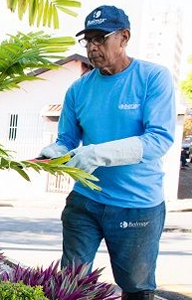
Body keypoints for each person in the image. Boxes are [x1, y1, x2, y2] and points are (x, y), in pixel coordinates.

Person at [39, 5, 175, 300]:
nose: (92, 47)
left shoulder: (153, 78)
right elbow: (67, 139)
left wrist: (97, 154)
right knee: (70, 284)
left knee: (136, 287)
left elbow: (159, 140)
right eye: (88, 40)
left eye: (100, 38)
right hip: (85, 200)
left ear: (124, 37)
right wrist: (54, 151)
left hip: (137, 203)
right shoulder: (78, 89)